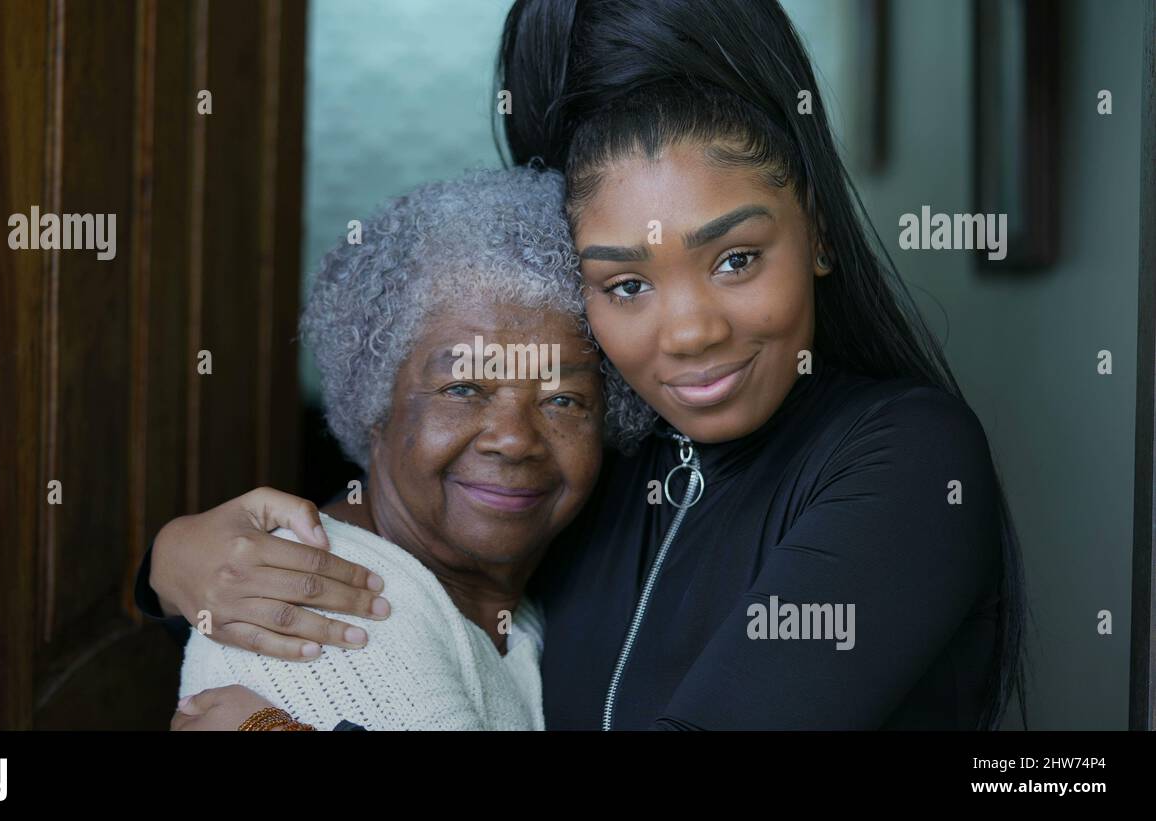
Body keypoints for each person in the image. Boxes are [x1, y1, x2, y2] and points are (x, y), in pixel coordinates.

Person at [148, 0, 1027, 730]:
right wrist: (166, 566)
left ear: (820, 232)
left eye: (734, 259)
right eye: (626, 282)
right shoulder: (589, 464)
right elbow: (396, 549)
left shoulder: (908, 461)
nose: (687, 332)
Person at [173, 167, 605, 730]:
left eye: (564, 399)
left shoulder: (523, 596)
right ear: (374, 400)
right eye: (464, 389)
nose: (515, 439)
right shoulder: (327, 608)